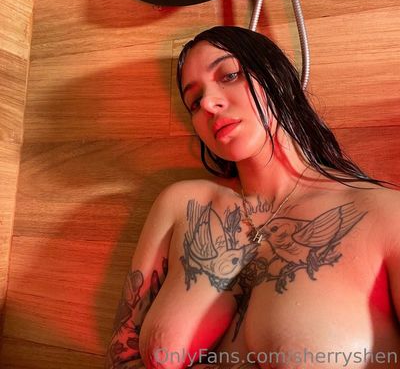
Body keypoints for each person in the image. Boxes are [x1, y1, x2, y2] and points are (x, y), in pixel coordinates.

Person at [106, 26, 400, 369]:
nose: (209, 103)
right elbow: (121, 355)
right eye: (194, 102)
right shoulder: (182, 205)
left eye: (229, 75)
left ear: (276, 76)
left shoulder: (384, 214)